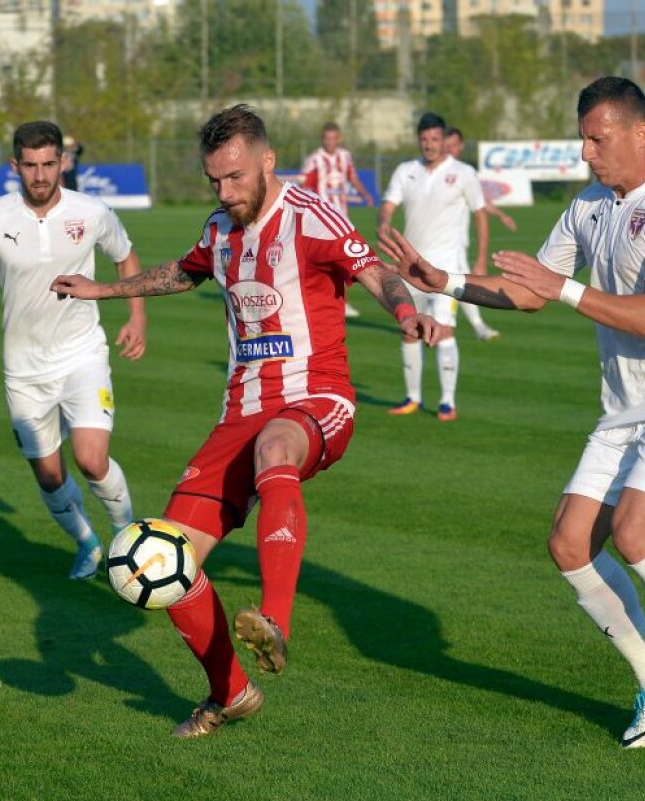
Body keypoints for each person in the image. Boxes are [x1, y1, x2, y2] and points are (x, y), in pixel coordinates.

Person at [51, 104, 439, 738]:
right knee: (164, 562)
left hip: (316, 399)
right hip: (240, 412)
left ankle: (275, 621)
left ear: (265, 161)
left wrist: (404, 314)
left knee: (275, 451)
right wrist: (100, 291)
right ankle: (230, 693)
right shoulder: (219, 228)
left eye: (234, 177)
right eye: (214, 181)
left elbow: (374, 271)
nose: (225, 193)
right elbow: (184, 271)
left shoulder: (310, 216)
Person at [382, 76, 645, 753]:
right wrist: (446, 282)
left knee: (637, 534)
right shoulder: (589, 205)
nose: (586, 151)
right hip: (625, 407)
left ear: (640, 134)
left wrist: (565, 287)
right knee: (568, 545)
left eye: (597, 138)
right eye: (582, 137)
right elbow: (528, 293)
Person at [0, 120, 146, 582]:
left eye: (49, 164)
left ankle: (130, 540)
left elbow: (125, 256)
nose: (40, 175)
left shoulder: (91, 212)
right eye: (30, 166)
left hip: (82, 355)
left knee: (91, 459)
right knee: (49, 475)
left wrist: (136, 315)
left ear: (63, 163)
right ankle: (88, 544)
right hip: (24, 370)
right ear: (15, 166)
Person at [378, 112, 487, 422]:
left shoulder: (464, 173)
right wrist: (383, 223)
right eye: (424, 139)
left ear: (444, 140)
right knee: (410, 331)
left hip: (447, 270)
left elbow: (480, 214)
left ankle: (447, 402)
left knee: (444, 330)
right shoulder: (406, 170)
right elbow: (387, 206)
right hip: (410, 268)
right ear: (418, 140)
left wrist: (479, 259)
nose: (429, 144)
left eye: (435, 139)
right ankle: (412, 397)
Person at [300, 122, 375, 319]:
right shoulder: (315, 159)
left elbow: (353, 178)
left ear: (339, 138)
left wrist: (365, 194)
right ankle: (319, 301)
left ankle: (341, 302)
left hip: (341, 218)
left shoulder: (345, 156)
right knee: (322, 261)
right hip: (321, 219)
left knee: (344, 260)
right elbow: (305, 186)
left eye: (334, 138)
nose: (330, 142)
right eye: (327, 138)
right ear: (322, 139)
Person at [442, 126, 510, 343]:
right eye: (447, 145)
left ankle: (475, 326)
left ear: (461, 146)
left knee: (456, 285)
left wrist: (500, 215)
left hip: (457, 244)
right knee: (456, 285)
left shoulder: (463, 173)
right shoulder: (436, 173)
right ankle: (471, 327)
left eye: (453, 145)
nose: (450, 149)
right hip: (441, 245)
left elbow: (479, 202)